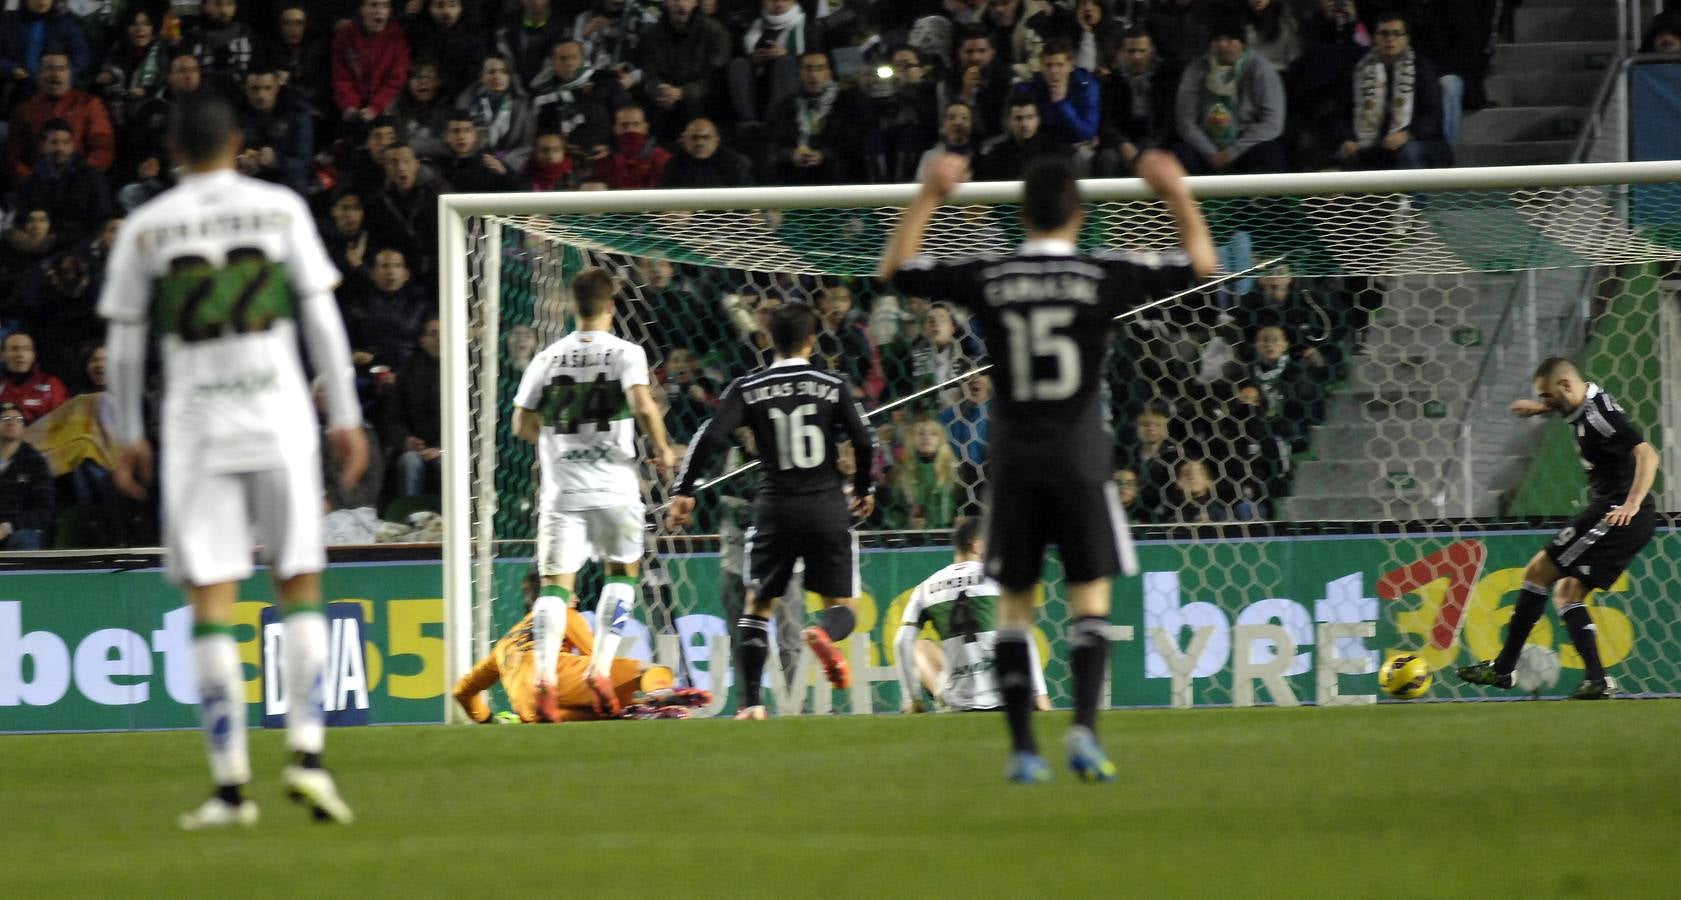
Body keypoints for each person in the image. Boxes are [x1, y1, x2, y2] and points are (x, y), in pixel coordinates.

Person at [879, 151, 1214, 782]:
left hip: (1013, 464)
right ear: (1080, 216)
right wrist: (1174, 191)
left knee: (1013, 609)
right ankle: (1084, 730)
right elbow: (1203, 265)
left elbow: (895, 269)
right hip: (1082, 460)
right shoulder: (1102, 273)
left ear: (1021, 213)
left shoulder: (992, 275)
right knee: (1089, 602)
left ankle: (1025, 750)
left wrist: (929, 193)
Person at [99, 91, 368, 828]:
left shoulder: (148, 227)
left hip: (196, 430)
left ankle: (229, 791)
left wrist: (125, 432)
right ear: (238, 141)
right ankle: (308, 759)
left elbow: (123, 345)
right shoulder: (280, 208)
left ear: (174, 151)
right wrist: (344, 415)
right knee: (300, 585)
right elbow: (321, 317)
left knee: (212, 603)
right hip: (280, 419)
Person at [666, 304, 877, 720]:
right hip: (825, 506)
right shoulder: (832, 383)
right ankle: (823, 633)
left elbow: (710, 436)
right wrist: (866, 487)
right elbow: (865, 441)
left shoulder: (749, 386)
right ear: (811, 340)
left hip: (774, 509)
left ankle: (750, 705)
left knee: (757, 608)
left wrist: (684, 489)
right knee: (841, 605)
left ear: (770, 339)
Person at [512, 268, 676, 721]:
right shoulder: (626, 353)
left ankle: (543, 676)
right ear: (611, 305)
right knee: (621, 575)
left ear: (572, 305)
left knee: (554, 588)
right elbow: (643, 404)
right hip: (615, 489)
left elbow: (520, 424)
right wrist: (662, 448)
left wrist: (560, 439)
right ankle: (598, 669)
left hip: (562, 492)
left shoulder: (547, 357)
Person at [1457, 359, 1659, 701]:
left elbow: (1647, 454)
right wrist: (1539, 409)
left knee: (1538, 572)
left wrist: (1633, 502)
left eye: (1548, 396)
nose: (1547, 402)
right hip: (1616, 511)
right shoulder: (1582, 405)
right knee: (1567, 592)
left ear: (1566, 385)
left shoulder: (1599, 416)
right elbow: (1569, 407)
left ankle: (1504, 668)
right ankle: (1598, 680)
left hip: (1617, 512)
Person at [454, 571, 710, 723]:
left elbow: (461, 691)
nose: (575, 597)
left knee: (608, 714)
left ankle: (634, 710)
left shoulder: (504, 644)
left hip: (529, 711)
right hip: (555, 678)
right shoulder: (561, 611)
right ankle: (658, 693)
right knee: (648, 670)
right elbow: (595, 658)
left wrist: (487, 720)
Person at [896, 518, 1050, 713]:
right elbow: (1023, 637)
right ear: (978, 546)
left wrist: (912, 699)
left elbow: (901, 643)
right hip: (1008, 695)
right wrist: (1040, 696)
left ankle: (933, 701)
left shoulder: (925, 588)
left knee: (920, 647)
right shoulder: (1001, 578)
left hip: (958, 703)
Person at [1333, 12, 1449, 171]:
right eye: (1384, 34)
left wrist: (1406, 134)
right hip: (1370, 144)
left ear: (1406, 38)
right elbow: (1341, 113)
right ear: (1375, 37)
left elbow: (1433, 116)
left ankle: (1411, 197)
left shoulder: (1422, 68)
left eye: (1396, 34)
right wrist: (1347, 138)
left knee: (1409, 152)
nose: (1390, 39)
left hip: (1417, 141)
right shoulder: (1359, 69)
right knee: (1344, 155)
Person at [1173, 17, 1286, 174]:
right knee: (1180, 153)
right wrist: (1211, 153)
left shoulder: (1261, 70)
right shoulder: (1196, 70)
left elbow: (1272, 124)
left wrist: (1233, 151)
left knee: (1270, 151)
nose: (1223, 45)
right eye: (1217, 39)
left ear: (1242, 43)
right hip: (1205, 145)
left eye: (1230, 39)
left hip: (1246, 144)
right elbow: (1186, 121)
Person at [331, 0, 411, 126]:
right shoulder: (345, 37)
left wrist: (376, 107)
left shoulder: (398, 39)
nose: (379, 11)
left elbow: (396, 81)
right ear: (362, 9)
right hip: (353, 106)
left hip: (384, 105)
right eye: (374, 5)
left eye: (385, 6)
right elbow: (341, 78)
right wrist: (350, 104)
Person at [0, 401, 54, 549]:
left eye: (17, 420)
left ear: (24, 428)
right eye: (5, 419)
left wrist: (7, 527)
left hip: (19, 530)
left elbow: (44, 510)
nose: (11, 423)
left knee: (25, 539)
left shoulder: (35, 462)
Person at [658, 117, 754, 188]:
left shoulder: (734, 162)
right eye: (694, 138)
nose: (700, 143)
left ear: (717, 141)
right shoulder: (674, 164)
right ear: (684, 141)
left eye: (706, 137)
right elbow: (663, 199)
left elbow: (749, 200)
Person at [0, 331, 68, 424]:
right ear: (2, 355)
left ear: (33, 355)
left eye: (26, 349)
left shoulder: (51, 384)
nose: (20, 354)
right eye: (14, 349)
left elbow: (64, 422)